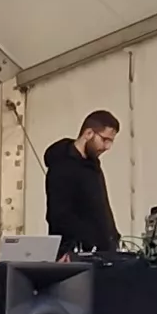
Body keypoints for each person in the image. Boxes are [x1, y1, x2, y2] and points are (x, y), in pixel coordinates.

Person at [43, 109, 122, 255]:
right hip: (77, 254)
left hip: (102, 252)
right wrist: (67, 250)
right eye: (105, 140)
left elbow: (101, 208)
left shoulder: (93, 166)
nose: (107, 147)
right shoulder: (62, 164)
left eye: (111, 142)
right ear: (88, 133)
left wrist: (113, 238)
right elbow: (58, 214)